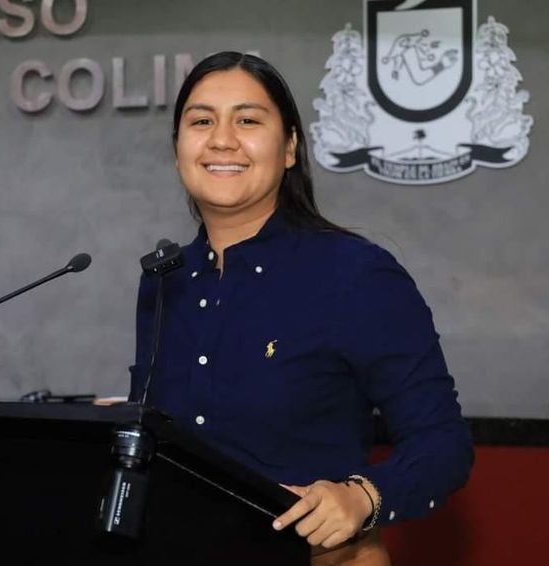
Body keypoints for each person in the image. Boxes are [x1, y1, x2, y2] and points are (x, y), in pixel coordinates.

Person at [129, 52, 473, 564]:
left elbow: (443, 443)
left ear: (289, 147)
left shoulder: (357, 275)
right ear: (179, 147)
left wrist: (363, 497)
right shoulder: (164, 280)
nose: (221, 138)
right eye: (201, 121)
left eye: (247, 120)